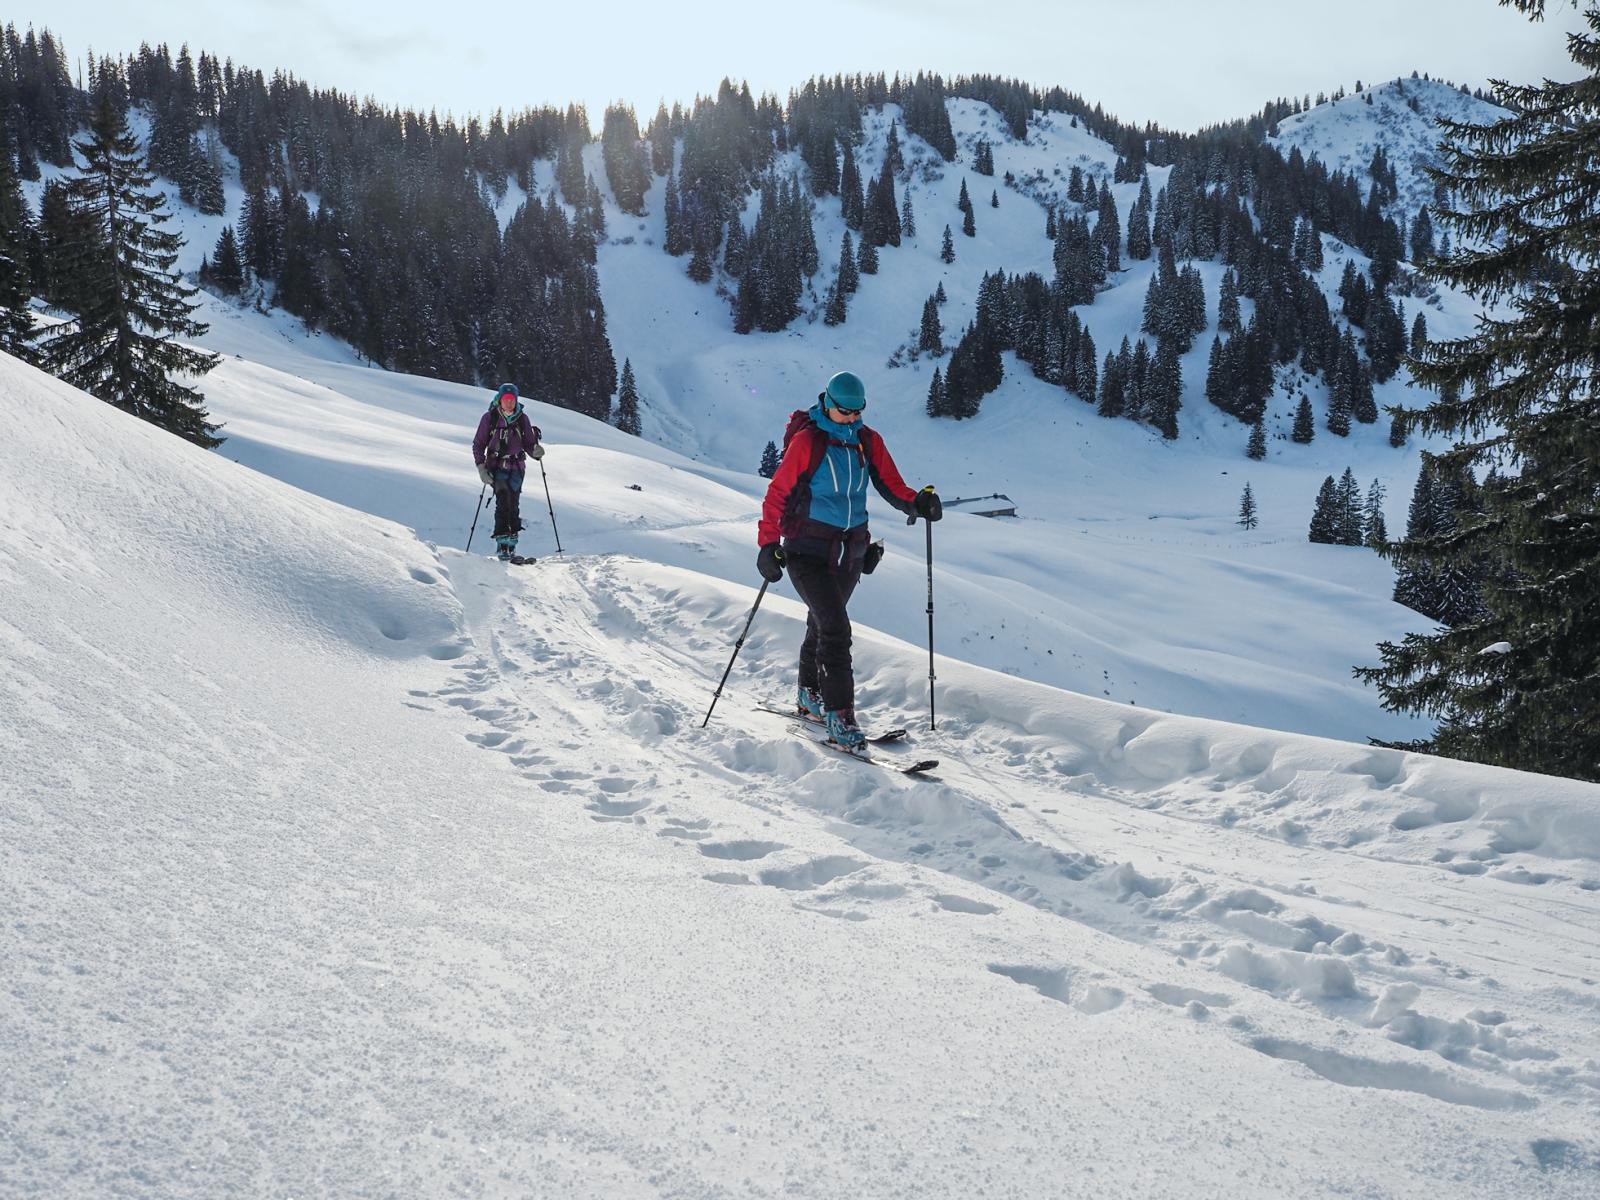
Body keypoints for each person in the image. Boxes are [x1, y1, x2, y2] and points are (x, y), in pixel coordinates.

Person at [757, 371, 941, 751]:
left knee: (821, 623)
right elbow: (777, 494)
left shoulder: (867, 441)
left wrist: (917, 502)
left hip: (850, 552)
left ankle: (809, 694)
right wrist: (767, 544)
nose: (852, 418)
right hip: (807, 549)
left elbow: (891, 484)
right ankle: (840, 717)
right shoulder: (809, 441)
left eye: (858, 412)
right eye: (845, 412)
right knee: (836, 629)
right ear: (828, 403)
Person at [472, 383, 544, 561]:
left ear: (516, 400)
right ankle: (502, 544)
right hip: (496, 467)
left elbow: (528, 443)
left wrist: (535, 451)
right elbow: (478, 444)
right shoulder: (490, 418)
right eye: (506, 399)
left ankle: (511, 544)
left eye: (512, 399)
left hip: (517, 468)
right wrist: (481, 468)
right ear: (500, 399)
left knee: (514, 504)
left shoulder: (522, 419)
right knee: (503, 501)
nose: (509, 403)